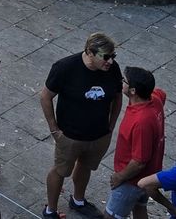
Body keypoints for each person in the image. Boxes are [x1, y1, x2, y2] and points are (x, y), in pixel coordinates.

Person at [41, 32, 123, 218]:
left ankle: (78, 200)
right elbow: (46, 97)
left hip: (99, 134)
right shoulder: (65, 68)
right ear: (89, 52)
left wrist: (111, 126)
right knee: (60, 171)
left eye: (113, 57)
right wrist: (54, 129)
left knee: (86, 166)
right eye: (106, 57)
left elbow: (117, 96)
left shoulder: (112, 69)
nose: (110, 61)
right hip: (70, 136)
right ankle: (50, 210)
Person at [106, 67, 166, 219]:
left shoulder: (141, 121)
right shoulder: (154, 99)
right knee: (139, 209)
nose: (121, 82)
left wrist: (120, 177)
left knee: (111, 216)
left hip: (131, 181)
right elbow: (161, 93)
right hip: (148, 177)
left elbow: (139, 162)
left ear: (132, 91)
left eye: (124, 81)